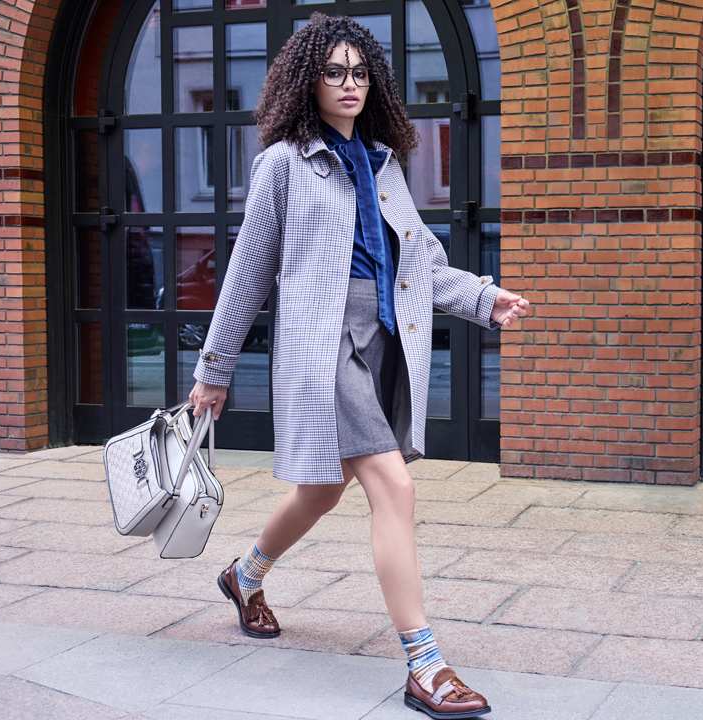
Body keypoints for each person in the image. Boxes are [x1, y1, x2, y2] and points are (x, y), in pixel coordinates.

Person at [187, 13, 530, 719]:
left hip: (382, 341)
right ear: (307, 81)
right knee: (394, 489)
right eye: (335, 72)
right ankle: (426, 666)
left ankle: (244, 575)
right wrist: (214, 368)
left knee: (324, 490)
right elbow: (247, 274)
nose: (349, 84)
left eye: (360, 72)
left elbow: (420, 266)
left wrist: (484, 298)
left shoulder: (384, 161)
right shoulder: (284, 163)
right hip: (321, 344)